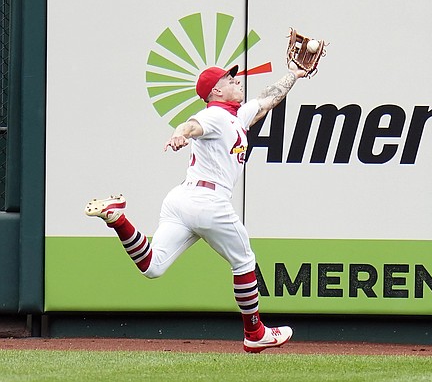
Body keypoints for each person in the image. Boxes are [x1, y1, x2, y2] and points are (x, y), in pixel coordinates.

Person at [85, 61, 308, 353]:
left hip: (181, 200)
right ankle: (254, 333)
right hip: (209, 202)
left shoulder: (237, 115)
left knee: (153, 266)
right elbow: (192, 125)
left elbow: (268, 99)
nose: (237, 81)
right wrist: (180, 133)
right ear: (216, 90)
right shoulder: (214, 116)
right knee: (244, 262)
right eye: (231, 80)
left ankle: (118, 219)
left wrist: (294, 74)